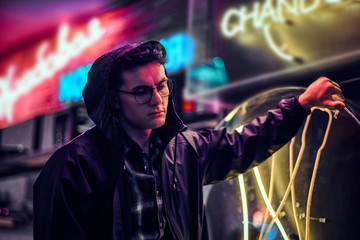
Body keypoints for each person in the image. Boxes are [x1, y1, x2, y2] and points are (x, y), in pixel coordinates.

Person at [33, 40, 345, 240]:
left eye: (162, 85)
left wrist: (301, 104)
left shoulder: (183, 149)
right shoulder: (73, 165)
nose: (158, 99)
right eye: (142, 91)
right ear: (113, 101)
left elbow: (246, 142)